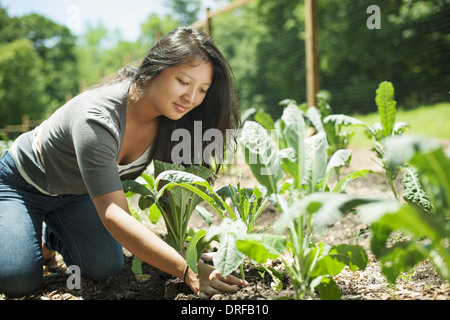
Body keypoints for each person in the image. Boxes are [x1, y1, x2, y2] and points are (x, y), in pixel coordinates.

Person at [0, 27, 247, 299]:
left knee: (106, 267)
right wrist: (186, 269)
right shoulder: (97, 119)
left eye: (203, 89)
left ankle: (52, 237)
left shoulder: (171, 121)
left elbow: (172, 195)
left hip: (78, 195)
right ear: (155, 68)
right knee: (17, 280)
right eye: (183, 82)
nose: (191, 98)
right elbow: (113, 214)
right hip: (22, 184)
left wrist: (188, 249)